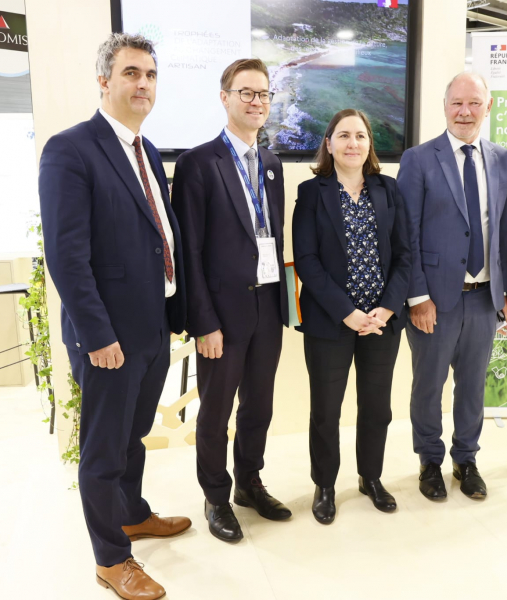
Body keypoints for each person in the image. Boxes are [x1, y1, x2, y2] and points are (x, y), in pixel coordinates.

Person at [38, 33, 189, 600]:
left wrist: (175, 312)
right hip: (109, 336)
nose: (142, 84)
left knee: (134, 435)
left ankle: (131, 513)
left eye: (149, 74)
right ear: (105, 81)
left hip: (151, 327)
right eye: (130, 73)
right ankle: (111, 558)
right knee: (103, 449)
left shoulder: (146, 150)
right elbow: (67, 256)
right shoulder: (71, 149)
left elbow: (157, 237)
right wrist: (97, 335)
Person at [172, 58, 291, 543]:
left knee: (258, 406)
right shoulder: (198, 164)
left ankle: (249, 483)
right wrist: (203, 322)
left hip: (267, 307)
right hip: (221, 314)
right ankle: (216, 496)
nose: (257, 101)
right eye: (247, 92)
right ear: (225, 98)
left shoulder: (271, 164)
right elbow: (191, 253)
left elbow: (271, 235)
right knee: (216, 411)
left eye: (264, 93)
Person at [397, 72, 507, 502]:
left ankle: (466, 459)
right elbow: (406, 233)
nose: (465, 112)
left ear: (489, 105)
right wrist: (417, 296)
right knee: (428, 386)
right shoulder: (419, 158)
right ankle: (430, 460)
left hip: (484, 298)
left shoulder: (502, 158)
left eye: (474, 103)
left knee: (472, 386)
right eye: (457, 103)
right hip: (434, 301)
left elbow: (502, 229)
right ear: (444, 106)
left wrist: (504, 292)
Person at [292, 109, 412, 524]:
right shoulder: (312, 193)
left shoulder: (388, 189)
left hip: (381, 321)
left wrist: (388, 307)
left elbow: (403, 256)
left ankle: (371, 477)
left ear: (369, 144)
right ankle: (324, 484)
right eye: (343, 135)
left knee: (377, 406)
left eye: (360, 136)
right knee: (326, 409)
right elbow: (306, 261)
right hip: (331, 322)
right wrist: (347, 312)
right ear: (329, 143)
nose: (352, 143)